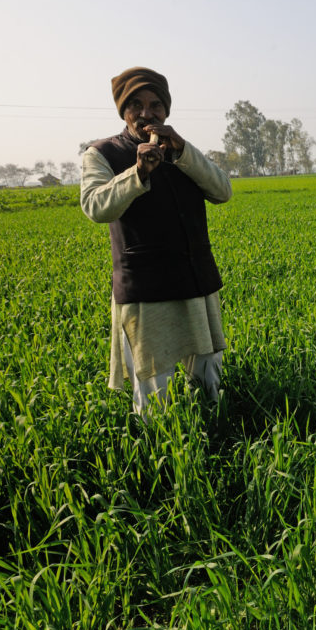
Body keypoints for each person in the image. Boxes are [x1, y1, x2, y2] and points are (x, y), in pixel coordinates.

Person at [80, 66, 232, 414]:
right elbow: (95, 206)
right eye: (135, 105)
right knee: (152, 386)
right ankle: (157, 448)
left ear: (166, 110)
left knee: (208, 373)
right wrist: (138, 172)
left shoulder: (181, 151)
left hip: (195, 279)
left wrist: (182, 152)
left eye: (155, 105)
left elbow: (223, 191)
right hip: (146, 288)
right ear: (123, 111)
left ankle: (215, 431)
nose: (146, 114)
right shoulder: (103, 153)